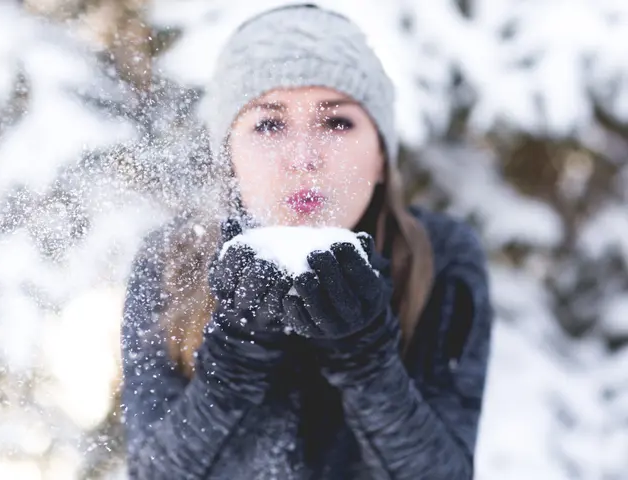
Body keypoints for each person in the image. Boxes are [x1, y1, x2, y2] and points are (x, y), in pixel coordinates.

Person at [121, 4, 492, 479]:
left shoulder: (438, 259)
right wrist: (237, 352)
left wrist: (367, 357)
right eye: (269, 123)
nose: (303, 158)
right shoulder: (173, 262)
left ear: (380, 155)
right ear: (229, 155)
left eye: (337, 122)